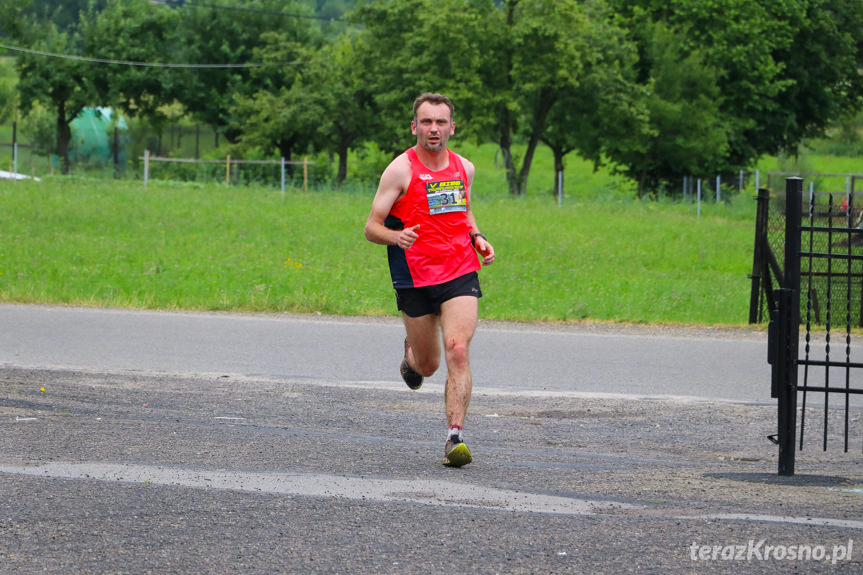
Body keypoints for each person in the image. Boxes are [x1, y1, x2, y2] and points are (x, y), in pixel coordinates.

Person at [364, 93, 495, 468]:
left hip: (458, 269)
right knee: (428, 366)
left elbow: (464, 212)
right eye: (426, 122)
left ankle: (454, 437)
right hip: (414, 275)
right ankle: (411, 355)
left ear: (452, 127)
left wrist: (478, 237)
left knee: (458, 349)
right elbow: (371, 227)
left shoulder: (464, 168)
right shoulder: (400, 170)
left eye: (440, 122)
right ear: (414, 126)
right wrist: (395, 237)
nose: (433, 129)